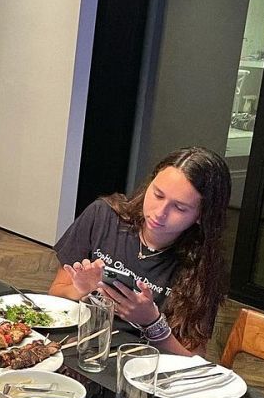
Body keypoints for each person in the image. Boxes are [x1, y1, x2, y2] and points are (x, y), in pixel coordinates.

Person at [50, 146, 231, 354]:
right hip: (82, 349)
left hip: (142, 367)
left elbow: (192, 359)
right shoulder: (103, 216)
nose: (160, 213)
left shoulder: (202, 264)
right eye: (157, 194)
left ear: (202, 215)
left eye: (179, 208)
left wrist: (152, 323)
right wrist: (81, 291)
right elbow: (55, 294)